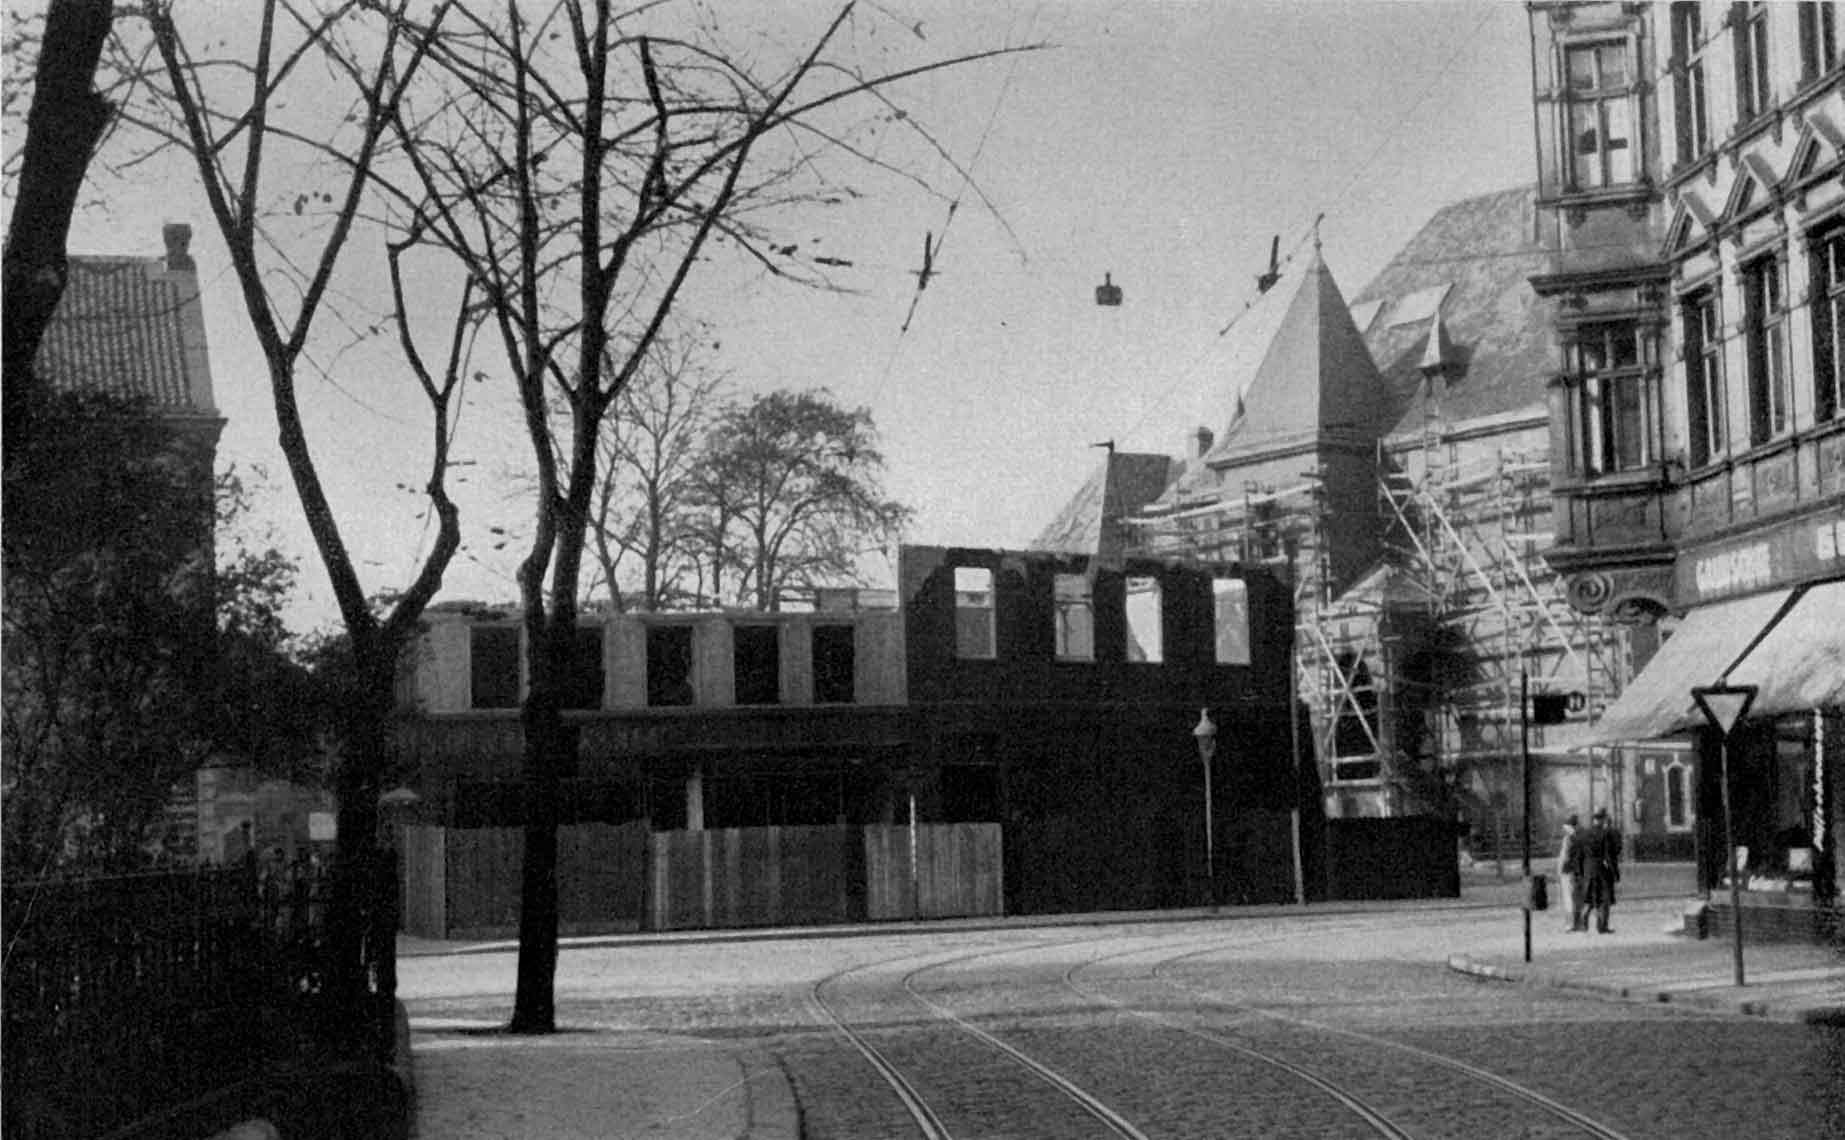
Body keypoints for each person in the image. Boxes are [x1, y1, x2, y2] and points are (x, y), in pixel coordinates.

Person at [1581, 807, 1621, 934]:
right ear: (1603, 819)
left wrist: (1582, 871)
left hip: (1588, 870)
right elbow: (1608, 855)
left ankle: (1584, 920)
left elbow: (1581, 854)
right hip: (1602, 870)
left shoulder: (1585, 834)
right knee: (1604, 900)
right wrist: (1615, 872)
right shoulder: (1605, 834)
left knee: (1590, 898)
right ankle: (1602, 927)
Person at [1557, 813, 1585, 931]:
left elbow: (1565, 856)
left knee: (1569, 899)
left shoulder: (1569, 839)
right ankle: (1579, 923)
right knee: (1577, 899)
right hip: (1579, 871)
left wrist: (1559, 870)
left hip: (1568, 871)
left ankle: (1571, 923)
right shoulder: (1581, 837)